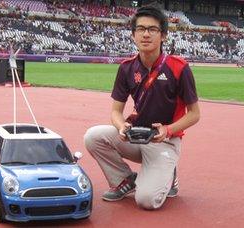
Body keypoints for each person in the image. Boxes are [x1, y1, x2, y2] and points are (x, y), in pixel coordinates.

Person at [84, 6, 200, 210]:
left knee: (147, 201)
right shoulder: (126, 67)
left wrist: (167, 129)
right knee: (93, 136)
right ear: (133, 35)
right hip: (136, 137)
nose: (146, 34)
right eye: (141, 29)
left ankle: (169, 174)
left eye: (153, 29)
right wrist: (121, 127)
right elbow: (116, 111)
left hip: (165, 141)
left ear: (163, 35)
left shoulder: (179, 67)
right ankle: (124, 180)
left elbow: (194, 114)